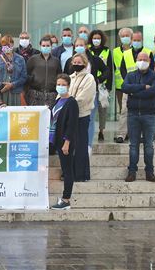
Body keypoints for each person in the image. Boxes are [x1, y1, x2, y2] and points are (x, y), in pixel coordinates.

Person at [121, 52, 155, 182]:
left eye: (144, 59)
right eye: (139, 59)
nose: (142, 61)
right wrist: (143, 87)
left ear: (149, 61)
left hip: (149, 114)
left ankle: (150, 172)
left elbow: (154, 91)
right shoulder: (131, 75)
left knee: (149, 146)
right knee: (133, 145)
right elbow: (124, 87)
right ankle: (132, 171)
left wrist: (134, 93)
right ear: (136, 60)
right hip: (133, 114)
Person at [66, 37, 109, 150]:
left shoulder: (94, 59)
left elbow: (106, 70)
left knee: (89, 120)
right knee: (73, 120)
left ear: (86, 46)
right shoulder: (70, 61)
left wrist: (98, 79)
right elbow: (65, 77)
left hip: (91, 94)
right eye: (77, 45)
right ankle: (73, 143)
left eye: (81, 45)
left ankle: (88, 145)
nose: (79, 47)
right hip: (73, 95)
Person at [115, 30, 153, 143]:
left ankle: (141, 135)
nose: (136, 42)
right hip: (130, 87)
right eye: (135, 40)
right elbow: (122, 70)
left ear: (142, 40)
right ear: (131, 41)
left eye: (138, 40)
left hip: (144, 88)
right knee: (124, 111)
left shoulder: (148, 52)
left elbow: (151, 70)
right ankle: (121, 134)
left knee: (143, 111)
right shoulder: (126, 54)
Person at [50, 74, 79, 210]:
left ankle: (66, 200)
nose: (60, 87)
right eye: (58, 84)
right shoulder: (57, 101)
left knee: (67, 171)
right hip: (56, 140)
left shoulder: (72, 102)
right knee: (65, 169)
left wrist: (67, 142)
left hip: (65, 142)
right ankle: (64, 199)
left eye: (63, 85)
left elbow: (72, 125)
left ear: (68, 86)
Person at [68, 54, 96, 182]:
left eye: (79, 62)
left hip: (82, 115)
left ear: (84, 64)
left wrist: (69, 104)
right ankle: (70, 172)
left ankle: (80, 174)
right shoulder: (70, 77)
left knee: (81, 145)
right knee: (71, 145)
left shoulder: (89, 78)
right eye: (75, 62)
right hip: (70, 116)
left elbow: (84, 97)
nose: (77, 64)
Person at [0, 35, 27, 106]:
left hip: (15, 92)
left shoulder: (20, 59)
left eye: (8, 45)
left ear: (12, 45)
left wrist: (12, 85)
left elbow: (24, 77)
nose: (7, 47)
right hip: (1, 92)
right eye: (4, 45)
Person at [88, 30, 113, 142]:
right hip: (89, 85)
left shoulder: (107, 51)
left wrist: (108, 85)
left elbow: (109, 69)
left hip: (102, 84)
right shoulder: (87, 50)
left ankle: (101, 131)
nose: (96, 40)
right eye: (94, 38)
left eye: (98, 38)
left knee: (103, 109)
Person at [25, 36, 62, 107]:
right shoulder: (33, 59)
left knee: (49, 116)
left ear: (51, 46)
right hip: (35, 93)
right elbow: (27, 75)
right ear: (40, 46)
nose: (45, 47)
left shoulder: (56, 61)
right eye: (43, 45)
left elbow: (59, 75)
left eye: (48, 45)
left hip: (51, 94)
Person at [113, 27, 133, 142]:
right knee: (123, 110)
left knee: (132, 109)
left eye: (127, 35)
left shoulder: (135, 50)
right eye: (123, 36)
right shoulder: (115, 51)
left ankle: (130, 132)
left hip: (134, 85)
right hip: (120, 85)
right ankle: (123, 133)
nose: (125, 38)